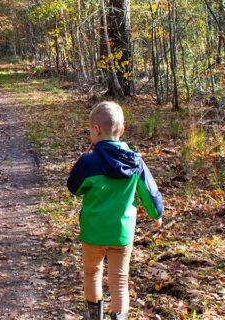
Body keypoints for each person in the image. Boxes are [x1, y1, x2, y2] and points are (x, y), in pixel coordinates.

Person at [66, 101, 165, 320]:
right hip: (122, 233)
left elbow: (74, 188)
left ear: (95, 129)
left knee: (92, 273)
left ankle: (95, 316)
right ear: (121, 131)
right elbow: (149, 191)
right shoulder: (136, 161)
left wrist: (83, 160)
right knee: (119, 280)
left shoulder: (88, 162)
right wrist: (156, 214)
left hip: (93, 232)